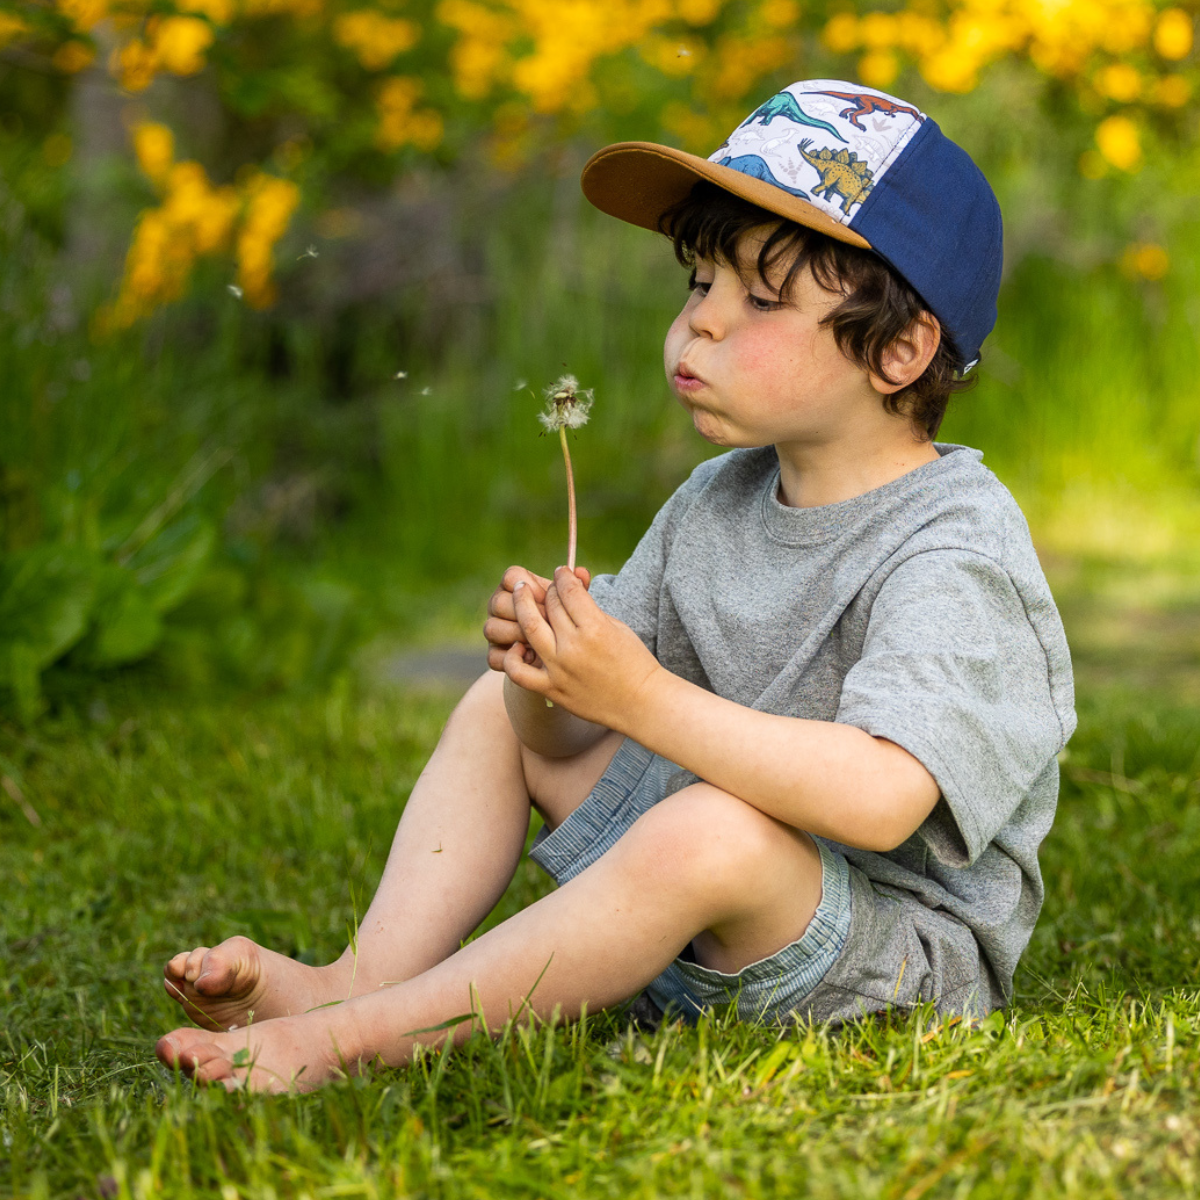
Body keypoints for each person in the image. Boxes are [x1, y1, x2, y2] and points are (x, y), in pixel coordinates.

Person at [156, 79, 1075, 1092]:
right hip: (701, 922)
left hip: (887, 969)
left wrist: (638, 696)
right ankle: (357, 980)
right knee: (493, 715)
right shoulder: (716, 498)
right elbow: (564, 742)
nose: (700, 327)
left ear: (900, 351)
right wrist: (543, 678)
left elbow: (883, 798)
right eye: (699, 285)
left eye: (762, 300)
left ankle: (356, 1040)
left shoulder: (952, 545)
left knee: (709, 829)